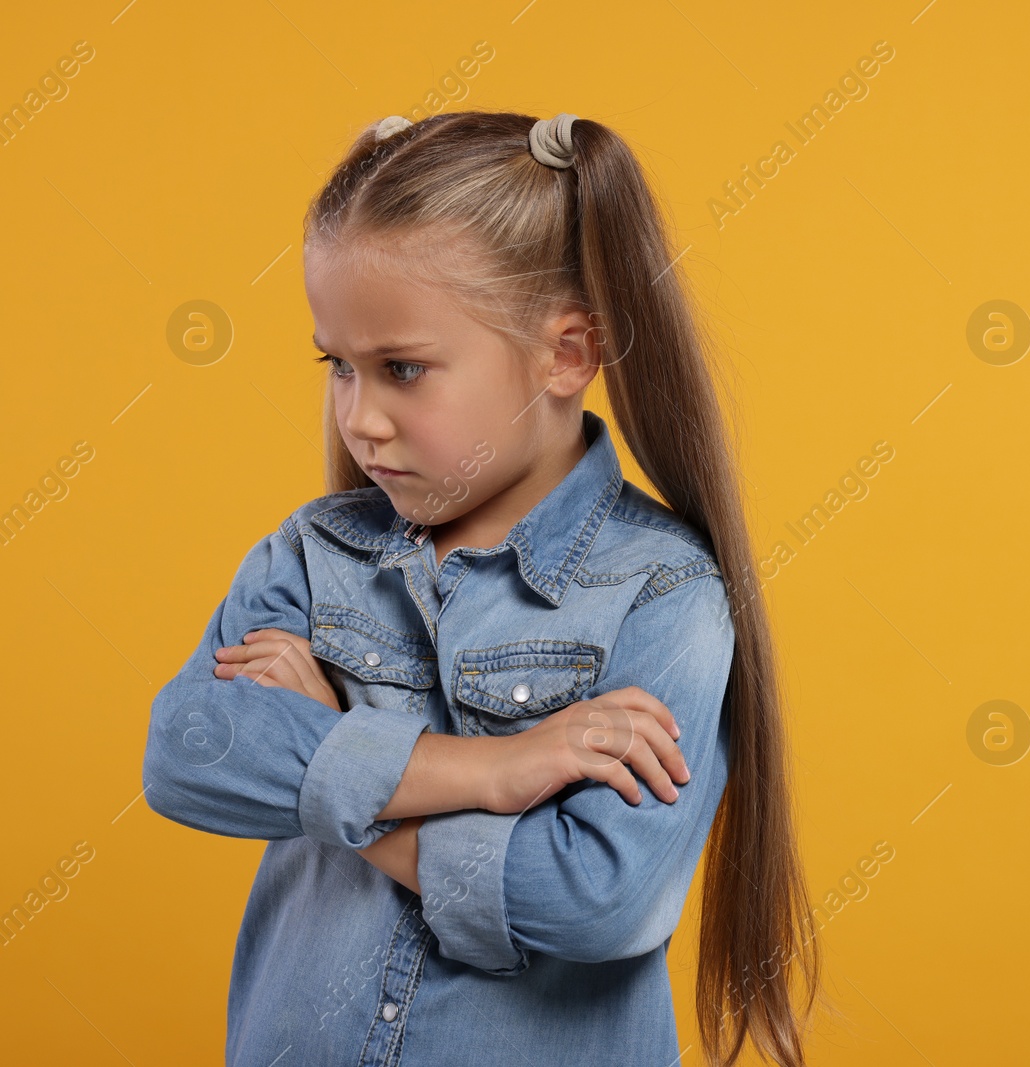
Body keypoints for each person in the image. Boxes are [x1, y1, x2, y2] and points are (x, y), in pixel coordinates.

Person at [142, 110, 819, 1066]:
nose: (359, 417)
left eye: (402, 369)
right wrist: (493, 770)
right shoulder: (315, 554)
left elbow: (592, 898)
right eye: (336, 365)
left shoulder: (662, 594)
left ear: (567, 355)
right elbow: (190, 749)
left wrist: (338, 767)